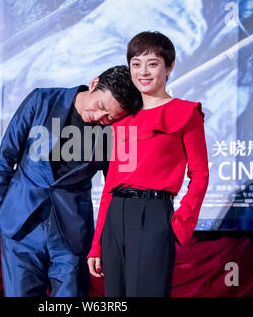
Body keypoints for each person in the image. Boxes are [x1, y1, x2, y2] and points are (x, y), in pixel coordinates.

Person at [0, 65, 142, 297]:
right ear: (93, 83)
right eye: (100, 106)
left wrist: (110, 239)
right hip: (21, 225)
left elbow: (115, 185)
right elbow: (5, 157)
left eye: (109, 117)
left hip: (71, 229)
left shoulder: (112, 131)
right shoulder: (42, 100)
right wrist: (0, 212)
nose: (99, 117)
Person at [87, 31, 209, 297]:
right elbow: (112, 182)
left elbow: (200, 175)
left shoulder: (186, 113)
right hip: (115, 217)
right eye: (136, 64)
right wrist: (96, 244)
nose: (143, 71)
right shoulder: (121, 119)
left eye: (152, 63)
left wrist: (178, 224)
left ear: (169, 67)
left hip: (154, 215)